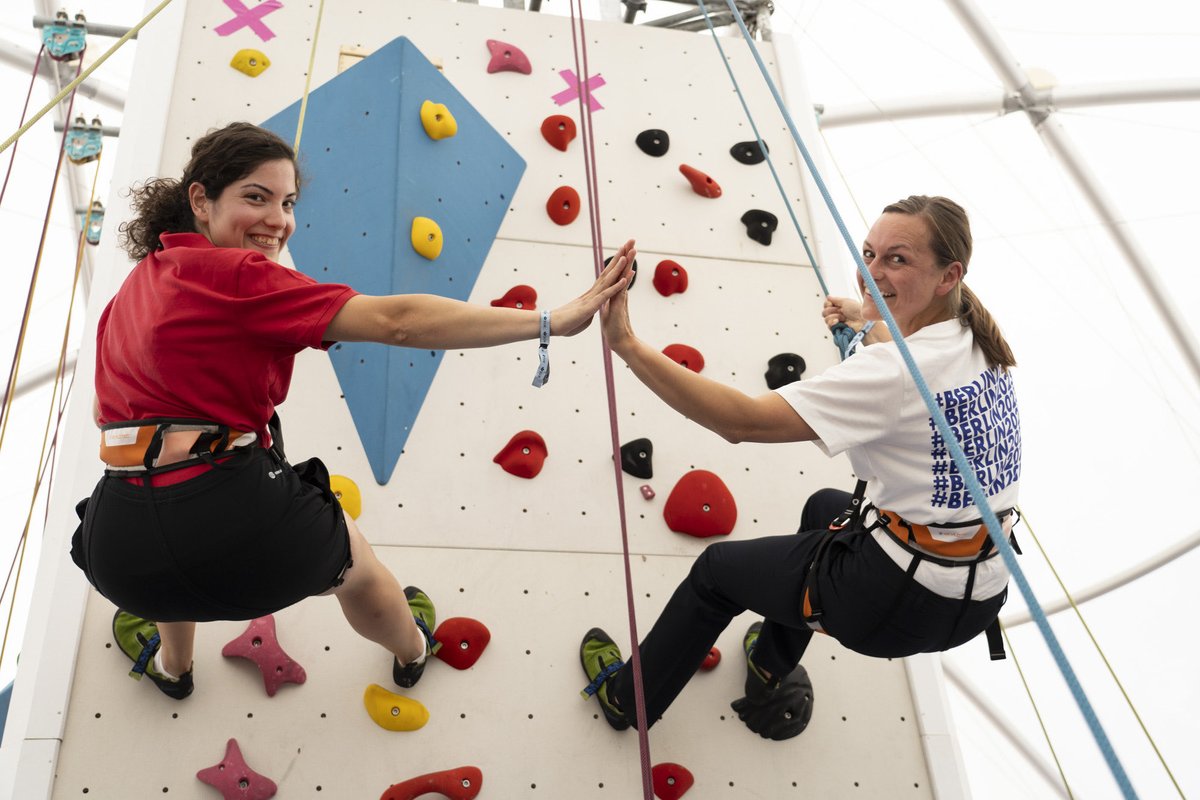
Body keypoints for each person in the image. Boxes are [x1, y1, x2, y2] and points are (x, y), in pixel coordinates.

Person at [70, 122, 633, 699]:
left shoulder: (129, 294)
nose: (278, 220)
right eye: (256, 197)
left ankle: (174, 668)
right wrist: (549, 321)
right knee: (357, 570)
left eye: (288, 203)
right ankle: (412, 650)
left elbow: (102, 411)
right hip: (239, 531)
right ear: (200, 199)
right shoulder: (240, 275)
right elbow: (396, 321)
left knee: (168, 520)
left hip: (121, 552)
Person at [580, 195, 1020, 740]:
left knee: (716, 574)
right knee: (825, 509)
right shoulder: (979, 342)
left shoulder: (891, 373)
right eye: (868, 253)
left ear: (948, 276)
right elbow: (914, 363)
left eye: (897, 260)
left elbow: (740, 421)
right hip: (977, 595)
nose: (871, 271)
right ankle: (769, 667)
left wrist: (625, 343)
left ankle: (628, 701)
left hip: (898, 603)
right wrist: (868, 316)